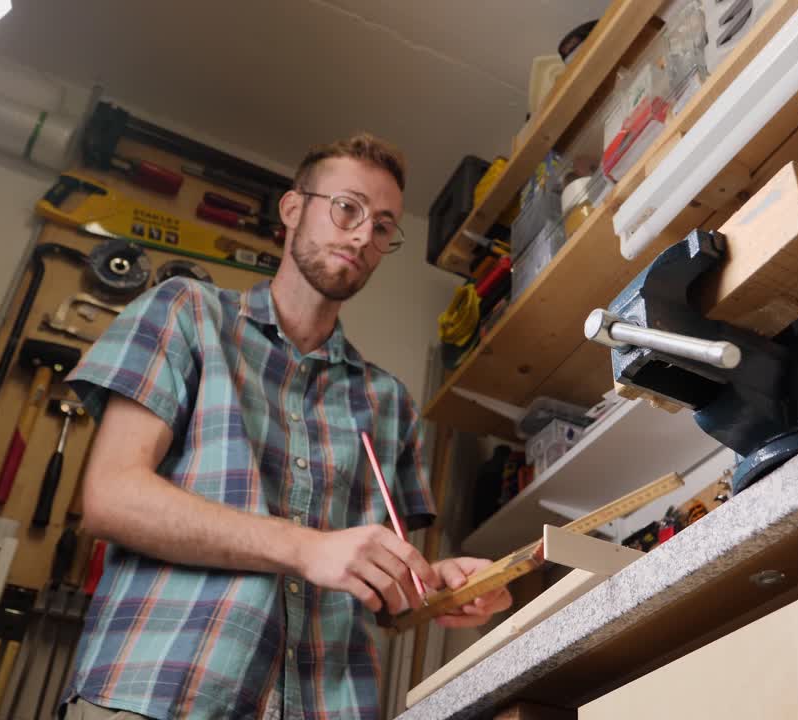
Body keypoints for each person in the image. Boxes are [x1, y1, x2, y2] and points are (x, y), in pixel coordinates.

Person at [58, 133, 511, 719]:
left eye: (381, 227)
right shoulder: (187, 312)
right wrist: (307, 548)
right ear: (294, 208)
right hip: (163, 693)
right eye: (347, 208)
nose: (361, 236)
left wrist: (436, 586)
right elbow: (111, 497)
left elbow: (377, 589)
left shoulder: (387, 400)